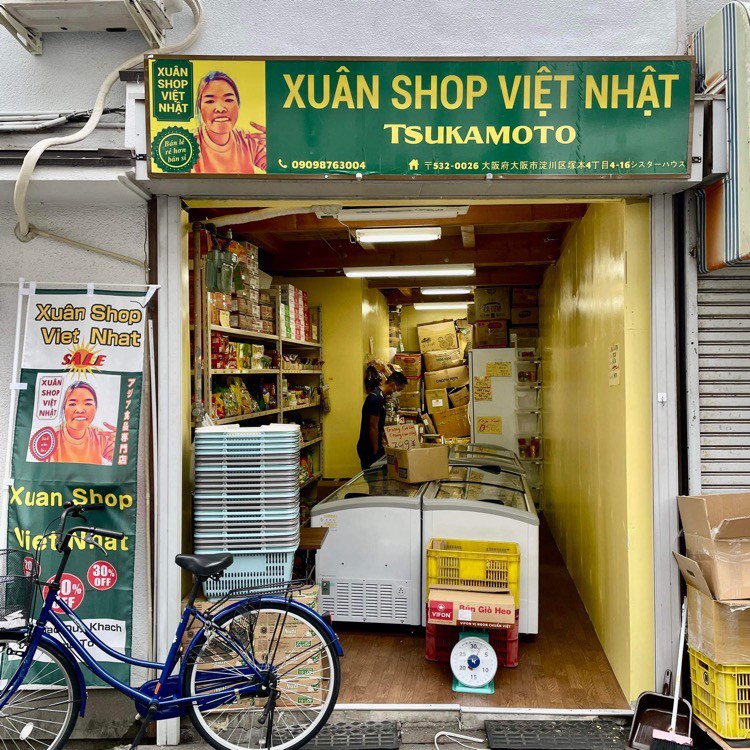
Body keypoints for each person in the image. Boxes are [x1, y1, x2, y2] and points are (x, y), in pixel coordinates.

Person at [193, 71, 267, 174]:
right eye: (210, 101)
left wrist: (278, 146)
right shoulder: (189, 143)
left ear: (238, 104)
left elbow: (279, 168)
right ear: (200, 107)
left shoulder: (247, 140)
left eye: (228, 100)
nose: (220, 109)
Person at [45, 382, 116, 465]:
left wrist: (122, 443)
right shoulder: (50, 438)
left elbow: (121, 462)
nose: (80, 410)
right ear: (64, 408)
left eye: (88, 404)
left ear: (95, 408)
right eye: (72, 404)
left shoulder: (99, 435)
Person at [356, 371, 408, 471]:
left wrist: (383, 439)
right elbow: (373, 426)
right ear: (393, 385)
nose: (398, 393)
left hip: (373, 445)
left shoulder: (381, 397)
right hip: (368, 447)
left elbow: (378, 425)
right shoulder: (376, 398)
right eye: (399, 390)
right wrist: (376, 449)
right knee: (372, 476)